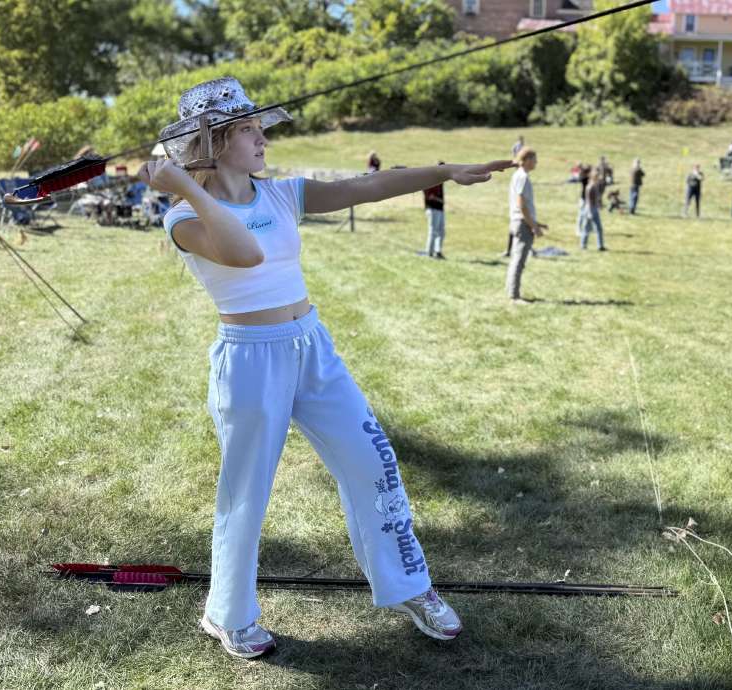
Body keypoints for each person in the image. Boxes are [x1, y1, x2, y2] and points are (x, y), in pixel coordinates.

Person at [147, 77, 512, 660]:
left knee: (374, 461)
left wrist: (446, 170)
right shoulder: (183, 218)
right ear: (213, 142)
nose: (263, 136)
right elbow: (245, 253)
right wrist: (188, 186)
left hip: (311, 345)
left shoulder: (282, 193)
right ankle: (228, 615)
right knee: (246, 493)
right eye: (247, 128)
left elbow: (369, 186)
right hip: (249, 357)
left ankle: (409, 587)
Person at [506, 147, 547, 303]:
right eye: (535, 159)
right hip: (522, 223)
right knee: (519, 260)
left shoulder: (518, 175)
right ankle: (514, 296)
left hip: (520, 222)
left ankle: (511, 292)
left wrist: (538, 223)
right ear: (528, 160)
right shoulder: (522, 177)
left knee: (516, 259)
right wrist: (534, 227)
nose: (536, 162)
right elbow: (522, 205)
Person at [423, 161, 446, 259]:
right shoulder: (431, 180)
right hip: (432, 208)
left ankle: (438, 251)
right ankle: (429, 252)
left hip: (440, 208)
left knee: (441, 231)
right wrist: (439, 199)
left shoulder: (441, 181)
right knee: (433, 231)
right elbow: (429, 195)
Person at [581, 167, 606, 251]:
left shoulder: (595, 186)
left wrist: (599, 204)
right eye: (597, 176)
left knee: (598, 228)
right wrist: (590, 212)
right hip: (590, 209)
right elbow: (588, 200)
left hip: (594, 208)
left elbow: (597, 197)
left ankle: (600, 246)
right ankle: (583, 245)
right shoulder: (590, 187)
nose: (599, 178)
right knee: (586, 228)